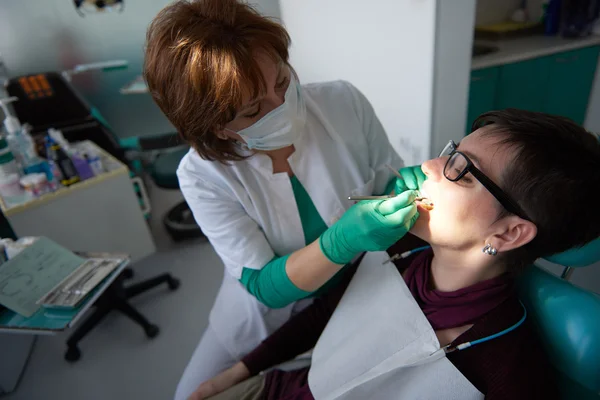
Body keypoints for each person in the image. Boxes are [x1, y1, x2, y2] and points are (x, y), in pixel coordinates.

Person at [188, 109, 600, 400]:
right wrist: (238, 373)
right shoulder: (401, 250)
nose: (428, 165)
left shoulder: (507, 368)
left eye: (460, 168)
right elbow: (325, 315)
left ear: (509, 232)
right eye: (450, 150)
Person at [143, 1, 425, 398]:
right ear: (217, 129)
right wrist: (341, 241)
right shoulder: (201, 175)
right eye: (253, 110)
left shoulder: (343, 103)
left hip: (361, 293)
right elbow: (264, 284)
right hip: (267, 320)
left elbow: (388, 179)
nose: (283, 107)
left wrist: (402, 192)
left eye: (281, 82)